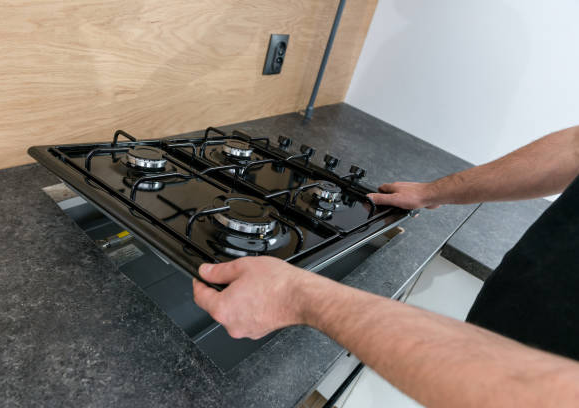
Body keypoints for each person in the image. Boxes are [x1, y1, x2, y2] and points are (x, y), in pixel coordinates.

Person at [193, 126, 579, 406]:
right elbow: (575, 146)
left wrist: (298, 295)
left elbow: (543, 394)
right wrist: (433, 191)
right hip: (493, 331)